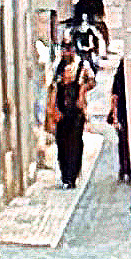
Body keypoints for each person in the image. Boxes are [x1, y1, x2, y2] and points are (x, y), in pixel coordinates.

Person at [49, 50, 90, 193]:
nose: (67, 52)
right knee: (62, 144)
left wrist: (82, 92)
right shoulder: (57, 68)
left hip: (76, 113)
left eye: (69, 48)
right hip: (62, 113)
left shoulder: (82, 66)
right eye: (64, 49)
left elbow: (91, 81)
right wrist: (53, 110)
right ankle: (65, 175)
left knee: (75, 144)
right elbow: (52, 89)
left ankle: (72, 176)